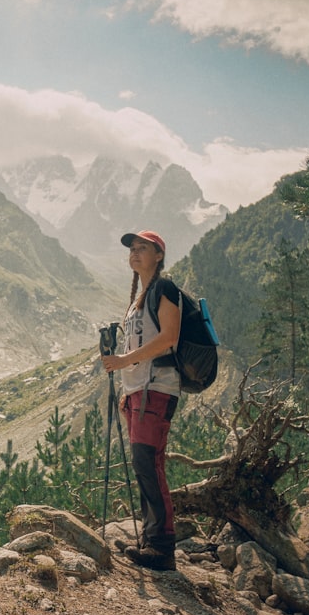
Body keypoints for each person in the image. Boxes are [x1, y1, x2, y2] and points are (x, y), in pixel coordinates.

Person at [101, 230, 181, 571]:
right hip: (140, 392)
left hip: (158, 389)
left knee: (150, 464)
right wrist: (127, 390)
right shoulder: (138, 297)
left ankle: (162, 549)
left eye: (142, 249)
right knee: (143, 465)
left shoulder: (165, 289)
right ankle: (150, 540)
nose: (134, 254)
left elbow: (169, 338)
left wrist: (122, 362)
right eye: (132, 249)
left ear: (158, 256)